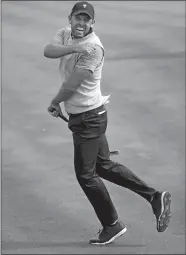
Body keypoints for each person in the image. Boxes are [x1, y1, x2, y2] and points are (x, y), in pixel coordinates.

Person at [44, 1, 171, 245]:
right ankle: (155, 197)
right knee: (103, 166)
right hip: (89, 115)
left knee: (85, 175)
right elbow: (49, 50)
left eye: (86, 19)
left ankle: (112, 225)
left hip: (88, 118)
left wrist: (55, 101)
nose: (81, 23)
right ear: (70, 18)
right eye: (77, 18)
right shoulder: (65, 34)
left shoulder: (94, 49)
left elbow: (73, 84)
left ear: (93, 23)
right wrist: (73, 48)